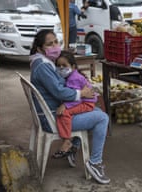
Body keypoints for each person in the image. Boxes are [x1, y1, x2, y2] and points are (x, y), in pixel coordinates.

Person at [29, 29, 110, 184]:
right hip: (53, 118)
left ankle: (74, 147)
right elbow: (59, 91)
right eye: (49, 44)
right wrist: (81, 94)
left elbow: (60, 88)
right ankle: (95, 162)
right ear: (40, 49)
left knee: (94, 110)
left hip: (52, 113)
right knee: (102, 118)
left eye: (56, 42)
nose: (55, 46)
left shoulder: (41, 62)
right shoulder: (42, 67)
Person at [52, 50, 98, 158]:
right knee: (63, 113)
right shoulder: (70, 76)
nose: (61, 68)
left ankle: (67, 141)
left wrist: (65, 106)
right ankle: (68, 141)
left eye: (64, 65)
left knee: (64, 114)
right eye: (59, 66)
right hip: (83, 101)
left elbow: (77, 97)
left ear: (73, 66)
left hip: (86, 104)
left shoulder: (74, 78)